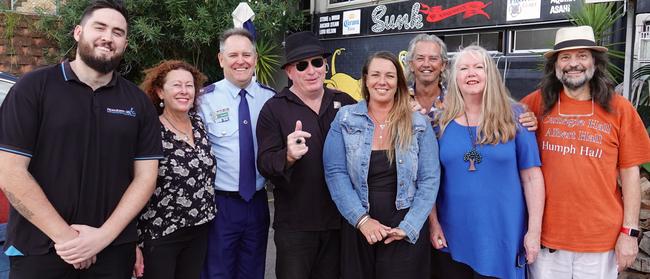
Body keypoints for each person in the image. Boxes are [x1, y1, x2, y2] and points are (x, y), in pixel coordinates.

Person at [0, 0, 163, 278]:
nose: (108, 38)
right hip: (40, 249)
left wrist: (101, 238)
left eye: (118, 32)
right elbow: (10, 171)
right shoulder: (33, 88)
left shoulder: (138, 102)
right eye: (99, 27)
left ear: (125, 43)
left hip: (112, 251)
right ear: (78, 32)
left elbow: (146, 177)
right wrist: (66, 238)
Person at [521, 26, 650, 278]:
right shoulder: (535, 103)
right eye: (565, 57)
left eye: (582, 55)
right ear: (556, 65)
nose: (574, 64)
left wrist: (630, 233)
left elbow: (631, 174)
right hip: (548, 238)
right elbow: (497, 124)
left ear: (594, 61)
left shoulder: (619, 108)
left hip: (600, 240)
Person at [429, 45, 545, 278]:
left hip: (503, 235)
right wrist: (433, 224)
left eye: (478, 67)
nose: (471, 73)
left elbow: (532, 178)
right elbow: (429, 180)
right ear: (455, 77)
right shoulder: (440, 124)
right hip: (453, 236)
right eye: (463, 68)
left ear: (489, 74)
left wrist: (534, 232)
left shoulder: (517, 118)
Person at [323, 51, 440, 279]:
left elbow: (430, 180)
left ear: (399, 82)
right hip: (358, 223)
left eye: (390, 75)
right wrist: (362, 220)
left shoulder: (418, 123)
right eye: (375, 74)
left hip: (405, 226)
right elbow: (335, 172)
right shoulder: (345, 119)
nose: (382, 81)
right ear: (365, 80)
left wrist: (410, 226)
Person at [256, 31, 356, 279]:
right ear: (290, 72)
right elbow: (264, 163)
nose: (311, 70)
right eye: (302, 65)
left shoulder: (346, 103)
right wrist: (288, 155)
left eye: (317, 62)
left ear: (325, 67)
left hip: (338, 222)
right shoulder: (274, 109)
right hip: (295, 227)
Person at [198, 28, 275, 279]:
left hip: (257, 201)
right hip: (221, 204)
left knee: (253, 271)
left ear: (255, 59)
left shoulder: (270, 99)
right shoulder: (203, 100)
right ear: (221, 59)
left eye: (246, 54)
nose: (240, 61)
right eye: (232, 55)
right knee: (217, 272)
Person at [132, 60, 215, 279]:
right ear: (160, 92)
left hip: (199, 228)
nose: (184, 91)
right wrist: (132, 241)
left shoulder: (198, 123)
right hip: (161, 234)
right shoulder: (150, 130)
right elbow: (131, 183)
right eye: (176, 85)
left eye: (189, 85)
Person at [404, 34, 538, 130]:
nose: (426, 64)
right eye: (420, 58)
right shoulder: (399, 99)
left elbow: (494, 105)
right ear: (411, 64)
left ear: (443, 65)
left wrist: (522, 117)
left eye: (433, 59)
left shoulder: (459, 98)